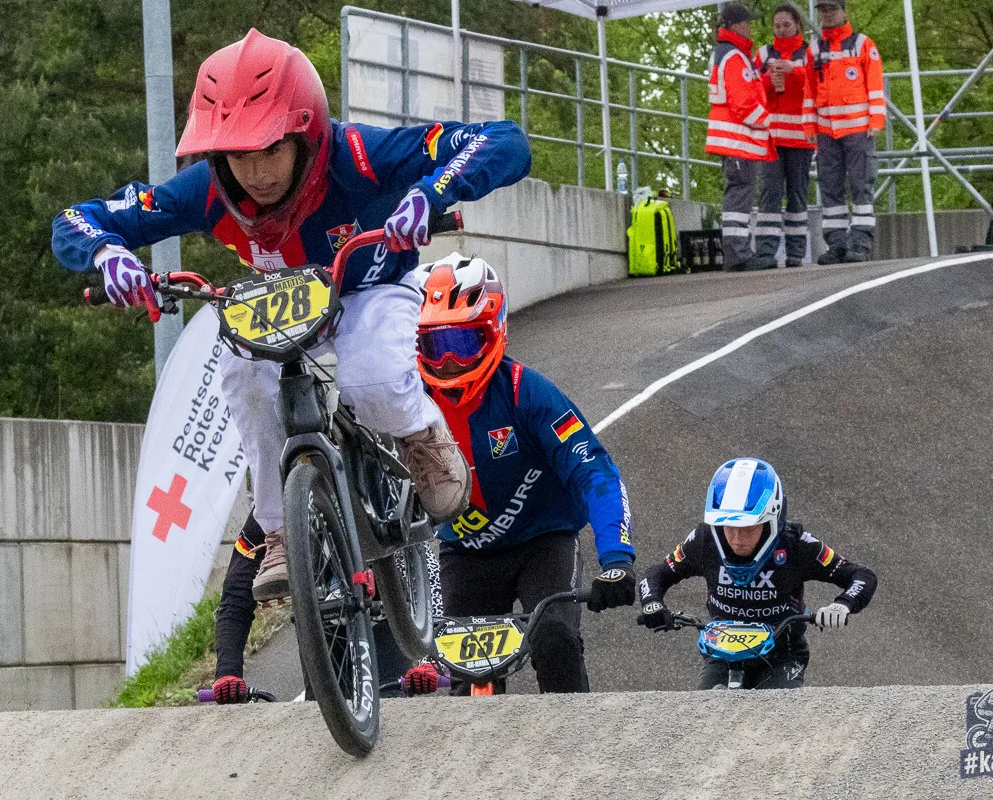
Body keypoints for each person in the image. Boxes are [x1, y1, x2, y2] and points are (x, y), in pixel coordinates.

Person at [50, 30, 532, 702]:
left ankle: (422, 438)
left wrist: (430, 191)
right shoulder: (208, 191)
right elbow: (78, 217)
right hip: (284, 301)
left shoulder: (359, 155)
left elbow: (502, 140)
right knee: (245, 379)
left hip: (371, 285)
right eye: (236, 155)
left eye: (270, 149)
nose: (256, 173)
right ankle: (280, 531)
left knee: (368, 379)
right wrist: (109, 256)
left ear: (305, 134)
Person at [402, 254, 636, 695]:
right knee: (463, 674)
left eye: (464, 342)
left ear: (495, 332)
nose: (449, 362)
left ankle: (576, 744)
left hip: (542, 543)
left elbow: (595, 470)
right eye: (435, 345)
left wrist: (617, 558)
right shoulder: (408, 405)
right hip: (465, 553)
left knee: (555, 640)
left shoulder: (529, 392)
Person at [638, 458, 876, 689]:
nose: (737, 539)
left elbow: (861, 575)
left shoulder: (796, 544)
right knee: (705, 717)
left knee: (775, 721)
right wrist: (652, 605)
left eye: (748, 528)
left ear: (772, 519)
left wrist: (841, 605)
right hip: (722, 651)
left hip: (782, 654)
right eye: (728, 527)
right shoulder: (704, 539)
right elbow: (657, 573)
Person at [809, 0, 885, 264]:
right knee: (830, 189)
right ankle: (837, 245)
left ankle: (861, 244)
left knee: (861, 187)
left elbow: (875, 86)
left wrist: (876, 120)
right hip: (826, 131)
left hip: (858, 130)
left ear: (844, 12)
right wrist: (810, 125)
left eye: (831, 9)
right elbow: (810, 91)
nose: (827, 15)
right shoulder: (815, 48)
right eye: (822, 10)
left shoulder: (863, 44)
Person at [707, 4, 777, 271]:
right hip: (736, 138)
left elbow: (746, 90)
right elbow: (743, 102)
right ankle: (738, 255)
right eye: (747, 22)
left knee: (738, 194)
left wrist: (765, 80)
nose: (750, 27)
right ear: (736, 25)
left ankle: (739, 253)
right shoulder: (734, 56)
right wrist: (767, 121)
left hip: (733, 139)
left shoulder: (727, 53)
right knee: (739, 196)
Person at [755, 5, 816, 267]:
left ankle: (795, 254)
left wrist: (794, 71)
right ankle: (766, 253)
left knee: (798, 195)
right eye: (777, 26)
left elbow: (817, 85)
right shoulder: (764, 53)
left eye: (786, 25)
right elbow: (753, 88)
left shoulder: (808, 53)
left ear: (797, 26)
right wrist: (771, 80)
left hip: (801, 137)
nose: (781, 30)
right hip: (770, 138)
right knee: (769, 193)